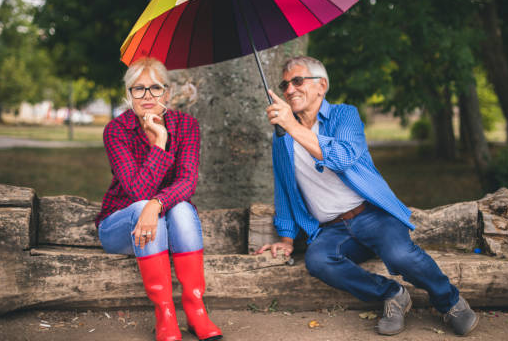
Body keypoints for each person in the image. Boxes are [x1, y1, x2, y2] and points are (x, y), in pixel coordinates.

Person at [256, 56, 479, 336]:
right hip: (332, 229)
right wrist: (286, 239)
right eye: (285, 84)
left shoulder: (344, 116)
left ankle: (449, 302)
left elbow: (342, 157)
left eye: (298, 81)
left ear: (321, 85)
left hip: (372, 215)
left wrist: (292, 126)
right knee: (318, 260)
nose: (289, 90)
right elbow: (284, 189)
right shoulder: (282, 138)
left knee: (399, 255)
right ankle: (393, 294)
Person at [96, 57, 222, 341]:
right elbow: (137, 191)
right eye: (138, 89)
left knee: (181, 208)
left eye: (155, 88)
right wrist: (160, 143)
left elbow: (188, 181)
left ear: (167, 93)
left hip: (165, 223)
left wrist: (157, 204)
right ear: (129, 96)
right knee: (142, 205)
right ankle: (165, 313)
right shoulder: (117, 130)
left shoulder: (187, 125)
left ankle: (195, 310)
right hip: (120, 228)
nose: (148, 96)